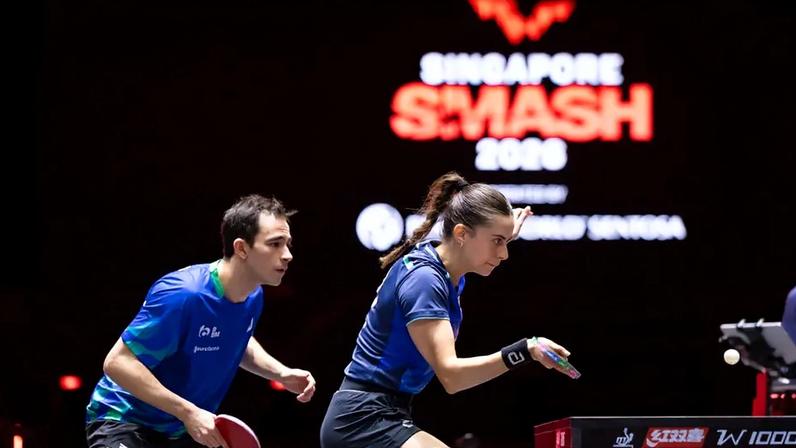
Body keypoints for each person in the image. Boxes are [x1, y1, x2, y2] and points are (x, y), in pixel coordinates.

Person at [320, 172, 573, 448]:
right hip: (361, 420)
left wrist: (502, 232)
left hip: (384, 412)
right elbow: (452, 376)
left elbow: (477, 239)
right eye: (497, 241)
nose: (504, 254)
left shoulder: (442, 267)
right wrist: (524, 351)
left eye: (506, 241)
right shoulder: (425, 281)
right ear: (462, 234)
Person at [86, 194, 316, 448]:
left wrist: (281, 373)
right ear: (241, 248)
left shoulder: (253, 296)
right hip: (126, 420)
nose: (287, 255)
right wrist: (188, 412)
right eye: (275, 244)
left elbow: (235, 339)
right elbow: (118, 363)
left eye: (287, 244)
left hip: (181, 430)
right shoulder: (184, 295)